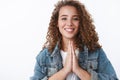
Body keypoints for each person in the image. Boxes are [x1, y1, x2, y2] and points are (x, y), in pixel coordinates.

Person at [30, 0, 118, 80]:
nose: (69, 23)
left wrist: (78, 70)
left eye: (75, 19)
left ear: (81, 23)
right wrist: (65, 71)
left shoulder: (95, 52)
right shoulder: (45, 56)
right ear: (57, 23)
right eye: (64, 18)